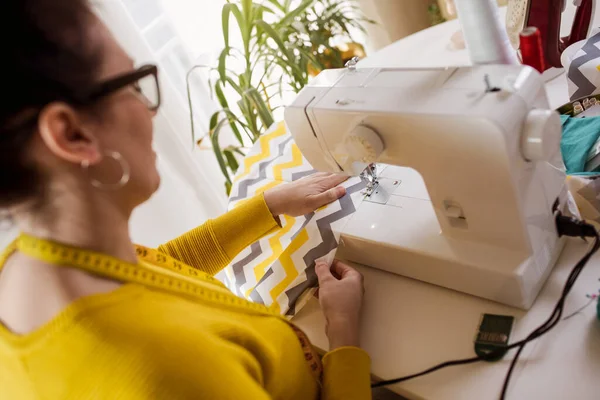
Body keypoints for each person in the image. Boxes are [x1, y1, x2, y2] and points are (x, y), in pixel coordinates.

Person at [0, 0, 371, 399]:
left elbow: (161, 275)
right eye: (134, 85)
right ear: (73, 135)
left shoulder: (24, 267)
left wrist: (268, 206)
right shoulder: (168, 372)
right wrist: (343, 336)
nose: (150, 110)